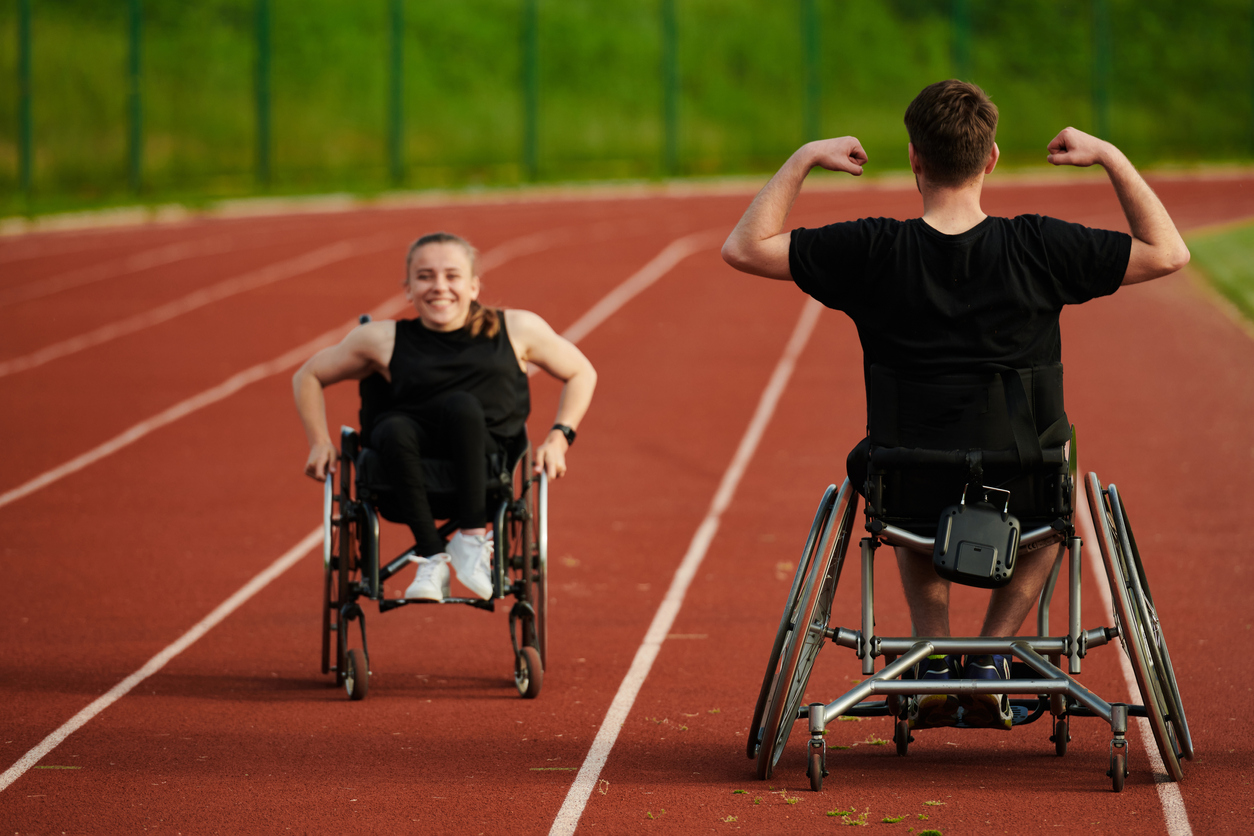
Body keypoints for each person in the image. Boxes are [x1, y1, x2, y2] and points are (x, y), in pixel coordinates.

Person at [721, 80, 1189, 729]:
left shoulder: (874, 249)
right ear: (990, 157)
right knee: (1061, 491)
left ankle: (934, 653)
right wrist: (1110, 155)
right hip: (1026, 490)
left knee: (903, 468)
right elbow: (1169, 251)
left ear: (915, 158)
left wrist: (803, 158)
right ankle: (994, 653)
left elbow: (744, 247)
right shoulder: (1039, 246)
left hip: (906, 490)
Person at [294, 232, 596, 602]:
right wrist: (319, 442)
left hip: (486, 475)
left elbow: (582, 372)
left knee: (462, 406)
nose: (439, 287)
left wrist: (559, 437)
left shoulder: (516, 329)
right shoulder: (381, 339)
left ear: (473, 286)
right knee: (391, 427)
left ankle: (470, 541)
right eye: (425, 276)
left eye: (452, 276)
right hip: (402, 475)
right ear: (408, 289)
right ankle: (431, 557)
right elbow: (307, 374)